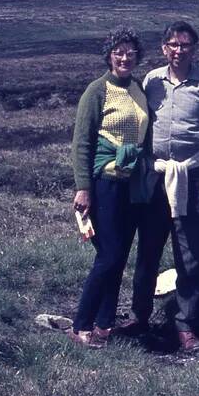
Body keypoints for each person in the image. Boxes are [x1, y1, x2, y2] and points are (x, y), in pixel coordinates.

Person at [118, 21, 199, 351]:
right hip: (155, 179)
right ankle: (139, 316)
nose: (179, 51)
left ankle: (185, 324)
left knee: (190, 256)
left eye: (186, 45)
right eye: (173, 45)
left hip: (194, 178)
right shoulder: (152, 81)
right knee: (148, 251)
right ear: (164, 48)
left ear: (196, 49)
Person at [67, 27, 149, 347]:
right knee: (109, 256)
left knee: (118, 256)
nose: (124, 57)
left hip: (131, 183)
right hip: (105, 183)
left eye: (130, 52)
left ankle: (104, 324)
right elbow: (82, 143)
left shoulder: (138, 88)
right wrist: (83, 188)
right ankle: (81, 324)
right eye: (118, 51)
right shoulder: (97, 91)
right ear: (109, 55)